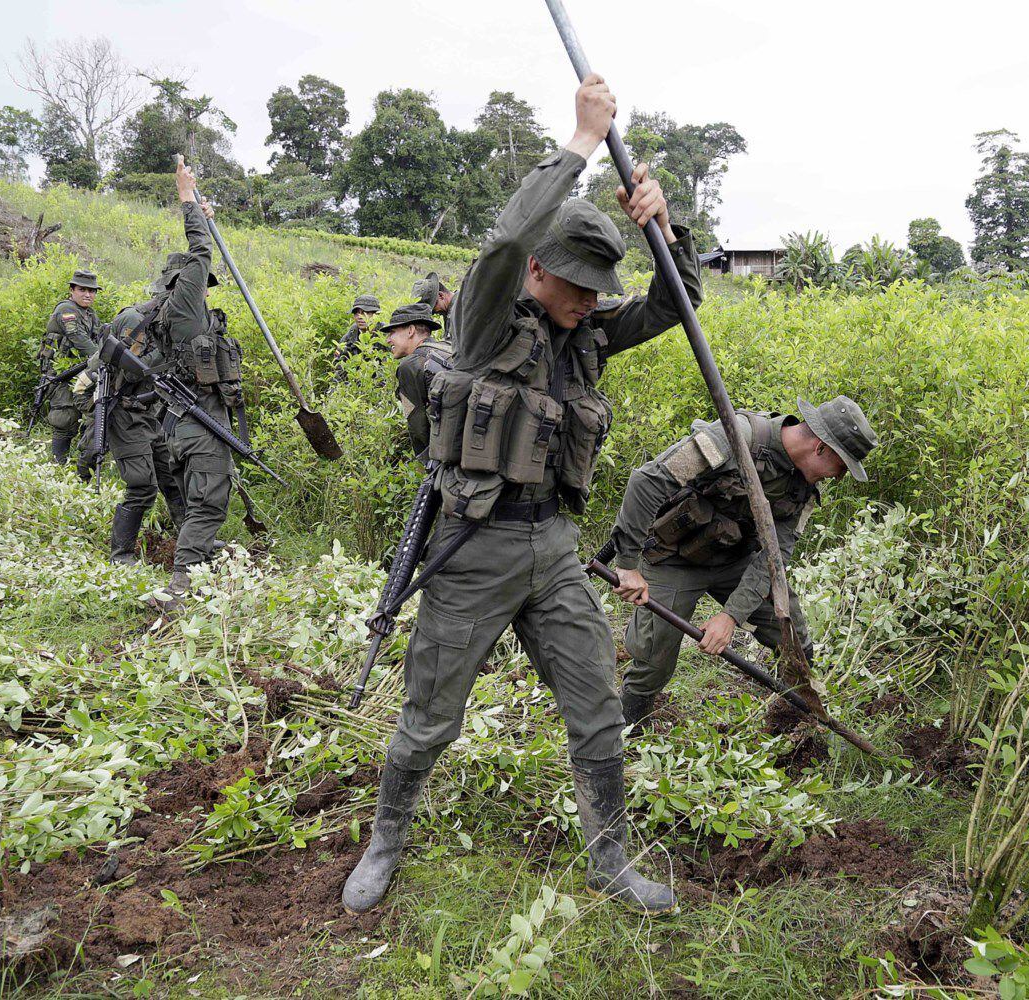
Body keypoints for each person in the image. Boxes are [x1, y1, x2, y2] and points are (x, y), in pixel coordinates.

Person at [342, 73, 702, 918]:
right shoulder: (484, 320)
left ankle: (609, 858)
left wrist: (663, 229)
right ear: (540, 271)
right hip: (474, 551)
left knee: (598, 710)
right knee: (430, 718)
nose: (586, 302)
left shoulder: (587, 334)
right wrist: (579, 144)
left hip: (553, 552)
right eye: (575, 284)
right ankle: (385, 840)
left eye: (595, 290)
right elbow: (502, 240)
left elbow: (675, 306)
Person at [607, 396, 878, 725]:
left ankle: (795, 723)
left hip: (733, 562)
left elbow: (774, 558)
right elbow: (646, 481)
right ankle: (624, 732)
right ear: (820, 448)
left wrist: (731, 616)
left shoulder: (803, 489)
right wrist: (627, 564)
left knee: (793, 636)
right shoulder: (734, 437)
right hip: (672, 559)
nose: (838, 477)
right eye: (841, 467)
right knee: (653, 661)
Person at [145, 156, 241, 610]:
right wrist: (188, 201)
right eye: (202, 282)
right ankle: (180, 586)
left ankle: (198, 561)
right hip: (198, 425)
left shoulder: (179, 313)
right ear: (185, 282)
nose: (207, 287)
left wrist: (203, 213)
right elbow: (201, 252)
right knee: (208, 504)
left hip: (184, 423)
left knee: (195, 499)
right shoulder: (184, 306)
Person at [88, 264, 189, 564]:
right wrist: (166, 353)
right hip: (124, 414)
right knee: (142, 486)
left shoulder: (163, 324)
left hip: (148, 414)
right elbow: (132, 374)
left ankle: (190, 541)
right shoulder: (137, 320)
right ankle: (120, 555)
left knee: (171, 478)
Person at [38, 270, 104, 464]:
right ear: (72, 290)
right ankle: (58, 462)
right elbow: (79, 339)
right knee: (64, 416)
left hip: (80, 371)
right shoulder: (66, 310)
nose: (88, 295)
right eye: (82, 289)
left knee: (87, 413)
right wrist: (101, 358)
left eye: (92, 291)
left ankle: (79, 460)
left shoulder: (89, 314)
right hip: (61, 373)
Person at [383, 302, 450, 457]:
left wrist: (426, 466)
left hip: (447, 455)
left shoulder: (410, 366)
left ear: (411, 330)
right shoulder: (448, 348)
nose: (388, 340)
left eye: (392, 332)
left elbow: (418, 427)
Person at [333, 293, 383, 379]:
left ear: (376, 315)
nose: (360, 317)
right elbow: (338, 368)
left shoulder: (385, 336)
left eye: (365, 313)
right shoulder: (348, 337)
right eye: (357, 313)